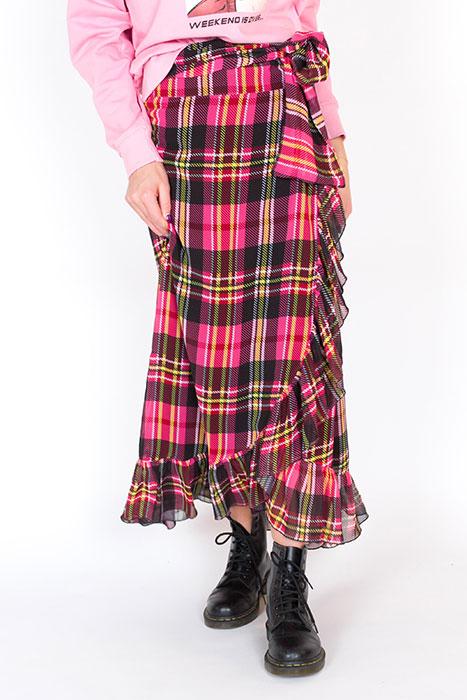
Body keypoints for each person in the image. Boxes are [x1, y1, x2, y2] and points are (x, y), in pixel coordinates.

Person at [67, 0, 369, 677]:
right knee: (218, 356)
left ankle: (288, 570)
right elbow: (95, 30)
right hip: (185, 113)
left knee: (294, 344)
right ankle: (247, 540)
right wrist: (135, 152)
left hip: (284, 105)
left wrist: (336, 136)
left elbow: (302, 22)